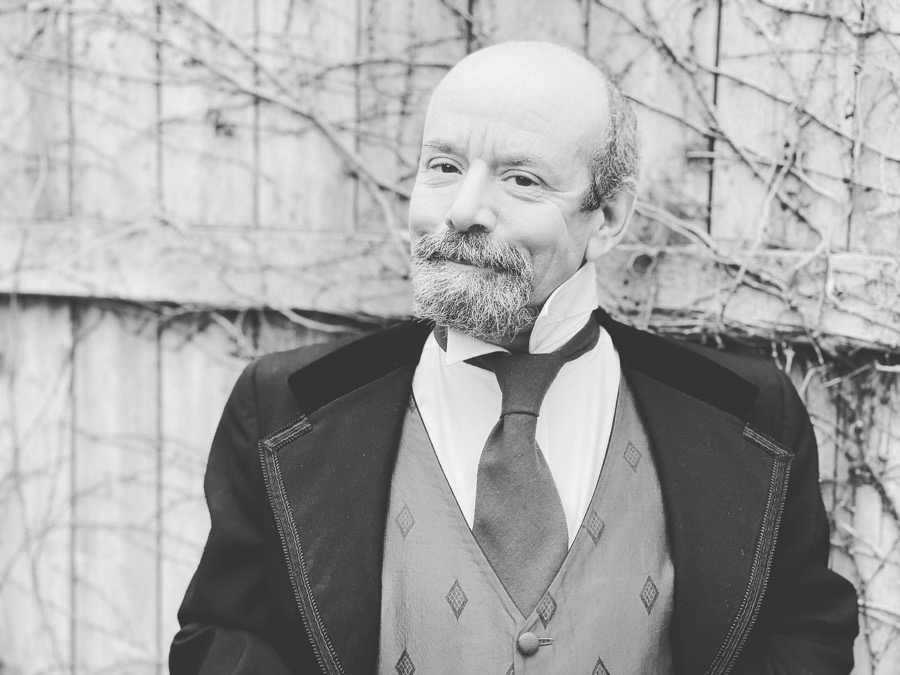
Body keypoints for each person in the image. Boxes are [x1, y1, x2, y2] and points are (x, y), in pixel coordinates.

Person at [170, 41, 858, 674]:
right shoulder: (282, 405)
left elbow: (802, 633)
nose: (463, 208)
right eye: (443, 166)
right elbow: (223, 635)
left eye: (522, 180)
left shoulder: (751, 416)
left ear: (608, 217)